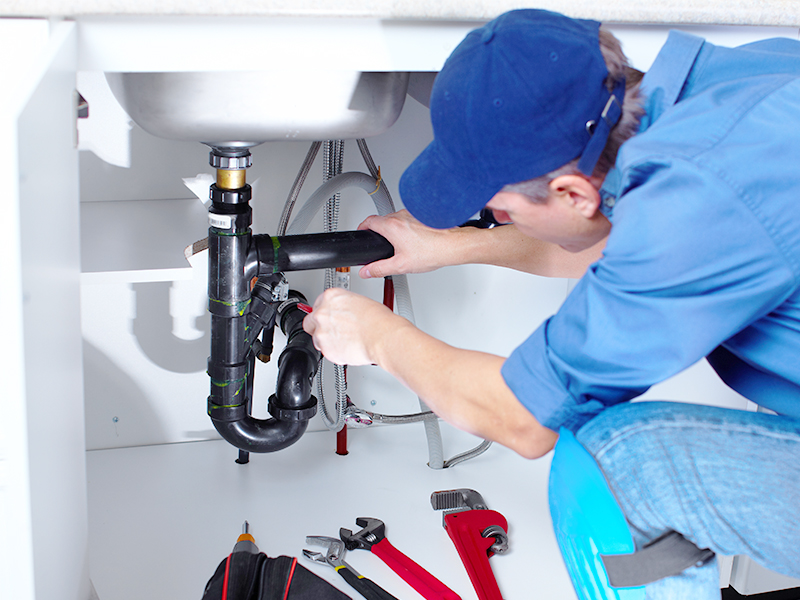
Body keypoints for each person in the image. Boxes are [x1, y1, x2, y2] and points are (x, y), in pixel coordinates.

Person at [303, 9, 800, 598]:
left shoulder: (698, 204)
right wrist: (450, 245)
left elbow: (525, 419)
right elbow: (625, 239)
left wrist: (377, 337)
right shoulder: (742, 85)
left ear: (572, 192)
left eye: (502, 209)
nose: (496, 218)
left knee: (615, 468)